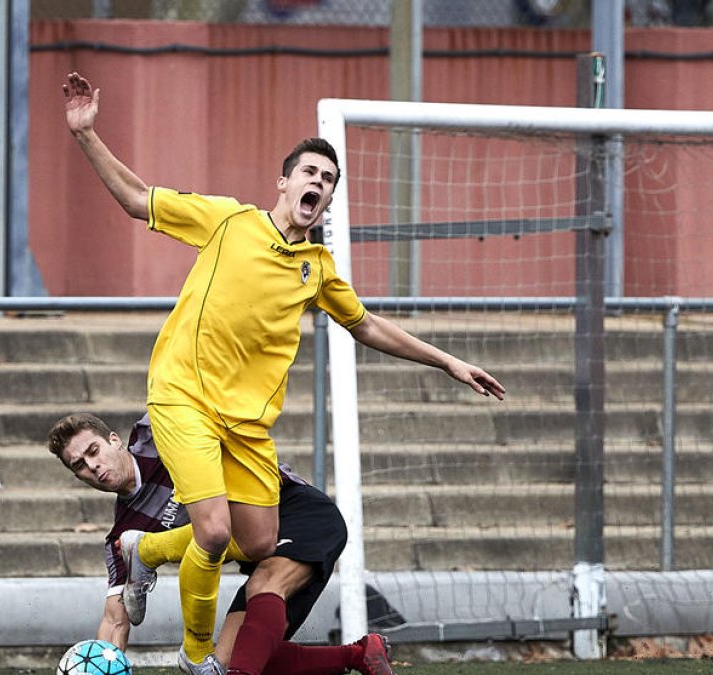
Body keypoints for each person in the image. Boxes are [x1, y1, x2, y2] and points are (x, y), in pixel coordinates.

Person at [63, 71, 506, 674]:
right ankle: (197, 659)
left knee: (258, 543)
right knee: (212, 532)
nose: (318, 183)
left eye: (328, 179)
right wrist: (86, 134)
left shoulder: (317, 268)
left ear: (329, 199)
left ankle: (149, 551)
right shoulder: (228, 221)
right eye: (309, 173)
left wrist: (448, 360)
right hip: (183, 398)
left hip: (247, 427)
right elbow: (139, 199)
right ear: (284, 182)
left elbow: (367, 325)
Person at [48, 413, 395, 675]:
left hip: (292, 508)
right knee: (231, 659)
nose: (93, 465)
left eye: (93, 450)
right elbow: (115, 621)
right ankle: (360, 654)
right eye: (80, 465)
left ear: (114, 440)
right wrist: (100, 666)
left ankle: (152, 550)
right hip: (260, 552)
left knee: (263, 585)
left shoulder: (158, 428)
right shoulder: (121, 535)